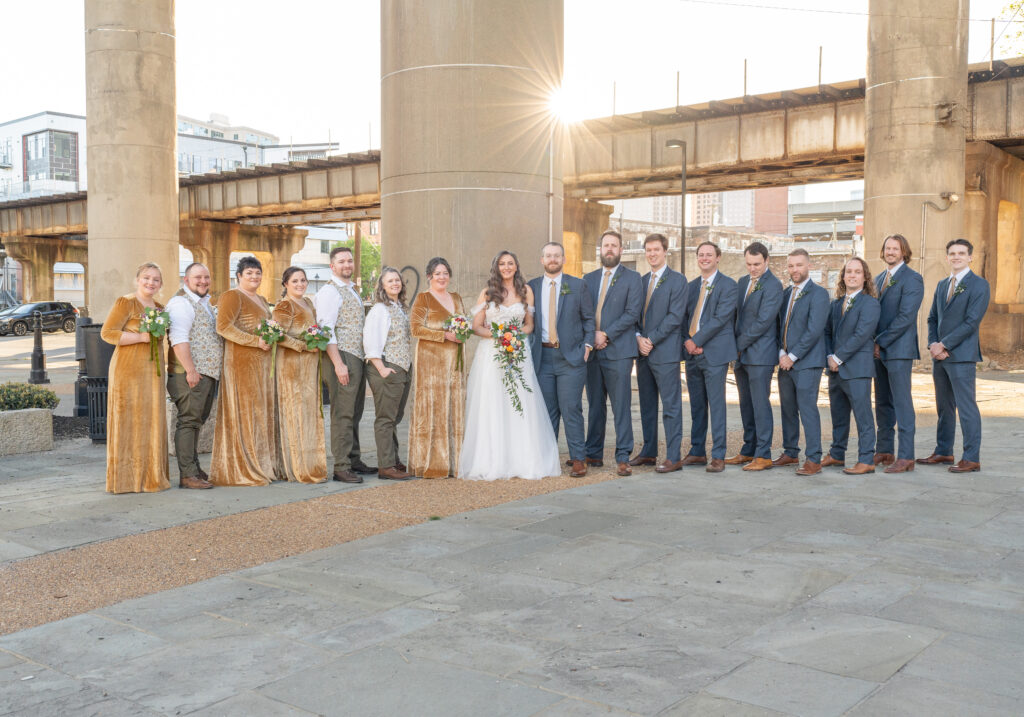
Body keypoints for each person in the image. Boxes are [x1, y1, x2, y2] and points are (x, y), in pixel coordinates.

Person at [460, 251, 561, 480]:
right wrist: (498, 335)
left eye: (510, 263)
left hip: (518, 352)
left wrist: (513, 335)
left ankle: (521, 458)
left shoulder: (526, 291)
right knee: (493, 402)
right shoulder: (487, 293)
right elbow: (476, 326)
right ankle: (493, 458)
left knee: (520, 403)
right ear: (496, 267)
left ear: (516, 266)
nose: (506, 267)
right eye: (502, 264)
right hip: (492, 354)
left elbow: (530, 325)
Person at [919, 238, 991, 473]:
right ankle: (943, 451)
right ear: (947, 257)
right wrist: (932, 344)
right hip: (939, 356)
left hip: (961, 355)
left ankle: (972, 458)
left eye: (961, 253)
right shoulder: (942, 284)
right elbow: (932, 318)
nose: (956, 256)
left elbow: (971, 322)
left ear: (970, 257)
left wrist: (945, 344)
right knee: (944, 407)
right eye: (952, 253)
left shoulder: (979, 285)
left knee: (966, 406)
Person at [100, 262, 170, 493]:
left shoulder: (160, 308)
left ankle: (151, 477)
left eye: (156, 279)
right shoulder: (126, 302)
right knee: (128, 419)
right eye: (147, 278)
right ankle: (126, 479)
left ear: (161, 284)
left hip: (153, 372)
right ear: (137, 280)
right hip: (127, 370)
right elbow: (107, 333)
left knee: (151, 420)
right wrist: (139, 338)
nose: (151, 282)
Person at [528, 242, 596, 477]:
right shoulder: (532, 287)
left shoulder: (578, 285)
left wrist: (587, 346)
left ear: (564, 259)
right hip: (543, 357)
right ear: (542, 260)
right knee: (547, 411)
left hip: (571, 357)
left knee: (571, 409)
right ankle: (548, 459)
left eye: (557, 255)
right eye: (548, 255)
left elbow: (589, 319)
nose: (552, 259)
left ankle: (578, 458)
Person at [209, 256, 277, 487]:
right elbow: (223, 327)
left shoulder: (262, 299)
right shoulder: (231, 296)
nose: (254, 277)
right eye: (249, 273)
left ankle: (261, 464)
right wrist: (254, 341)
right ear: (239, 276)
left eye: (257, 273)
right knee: (245, 413)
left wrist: (268, 339)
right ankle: (242, 467)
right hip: (240, 361)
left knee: (260, 414)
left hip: (263, 362)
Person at [583, 230, 642, 476]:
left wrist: (605, 334)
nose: (609, 249)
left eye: (614, 246)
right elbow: (583, 312)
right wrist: (590, 338)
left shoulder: (633, 278)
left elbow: (632, 313)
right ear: (600, 249)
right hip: (592, 352)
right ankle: (593, 453)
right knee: (595, 405)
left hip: (618, 350)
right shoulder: (588, 278)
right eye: (606, 245)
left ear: (621, 250)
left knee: (621, 405)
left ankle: (622, 456)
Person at [315, 246, 375, 484]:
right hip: (342, 355)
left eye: (350, 261)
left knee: (356, 411)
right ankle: (341, 466)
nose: (347, 265)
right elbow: (326, 330)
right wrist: (338, 364)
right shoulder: (330, 292)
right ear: (332, 266)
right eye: (341, 262)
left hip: (356, 355)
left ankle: (353, 459)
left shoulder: (351, 290)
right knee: (342, 412)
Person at [631, 233, 688, 473]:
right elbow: (632, 314)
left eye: (656, 249)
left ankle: (673, 456)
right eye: (648, 250)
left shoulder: (678, 280)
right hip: (642, 353)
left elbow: (675, 317)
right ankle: (649, 452)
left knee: (671, 406)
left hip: (665, 353)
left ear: (666, 251)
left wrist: (651, 340)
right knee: (646, 405)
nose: (652, 253)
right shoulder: (640, 281)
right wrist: (638, 339)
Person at [682, 241, 738, 473]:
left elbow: (720, 319)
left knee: (716, 406)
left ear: (718, 258)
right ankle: (697, 451)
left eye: (709, 255)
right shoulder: (692, 286)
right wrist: (688, 342)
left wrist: (697, 341)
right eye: (701, 255)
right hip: (692, 355)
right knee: (696, 406)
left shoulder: (728, 285)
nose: (704, 258)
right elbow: (685, 317)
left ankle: (718, 455)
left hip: (714, 354)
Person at [165, 262, 223, 489]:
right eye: (198, 277)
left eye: (206, 277)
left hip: (206, 373)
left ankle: (194, 469)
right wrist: (190, 370)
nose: (203, 281)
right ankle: (187, 475)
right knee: (188, 421)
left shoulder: (206, 303)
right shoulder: (181, 302)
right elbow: (178, 339)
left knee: (197, 421)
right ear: (186, 280)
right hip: (190, 374)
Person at [408, 257, 467, 478]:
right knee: (433, 407)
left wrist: (463, 334)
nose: (442, 277)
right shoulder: (424, 298)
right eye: (437, 273)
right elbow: (415, 329)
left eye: (445, 273)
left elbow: (465, 323)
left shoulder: (457, 298)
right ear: (429, 276)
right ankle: (432, 462)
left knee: (454, 406)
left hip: (455, 362)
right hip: (431, 362)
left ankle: (455, 462)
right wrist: (444, 335)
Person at [774, 248, 830, 476]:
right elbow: (779, 326)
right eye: (791, 266)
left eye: (799, 265)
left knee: (807, 410)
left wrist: (792, 356)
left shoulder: (819, 294)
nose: (794, 270)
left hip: (807, 363)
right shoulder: (786, 293)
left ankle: (814, 459)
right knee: (787, 409)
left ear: (808, 266)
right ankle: (790, 452)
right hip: (784, 361)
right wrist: (780, 353)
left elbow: (814, 330)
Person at [728, 242, 783, 472]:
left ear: (767, 261)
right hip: (741, 356)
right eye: (749, 264)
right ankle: (748, 449)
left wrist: (737, 345)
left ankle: (764, 455)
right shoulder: (742, 283)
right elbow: (736, 318)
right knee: (746, 404)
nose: (753, 268)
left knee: (760, 405)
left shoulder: (774, 285)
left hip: (760, 355)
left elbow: (763, 322)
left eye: (757, 264)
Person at [823, 258, 881, 475]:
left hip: (857, 369)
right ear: (843, 276)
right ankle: (837, 454)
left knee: (863, 416)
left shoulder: (870, 304)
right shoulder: (836, 304)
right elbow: (827, 332)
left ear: (864, 277)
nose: (852, 275)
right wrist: (830, 356)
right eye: (849, 272)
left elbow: (861, 335)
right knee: (838, 415)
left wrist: (838, 358)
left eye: (857, 272)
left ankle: (866, 459)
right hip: (834, 369)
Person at [873, 234, 924, 473]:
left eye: (895, 248)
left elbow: (906, 317)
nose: (890, 252)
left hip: (898, 350)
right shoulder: (878, 278)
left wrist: (880, 341)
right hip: (877, 351)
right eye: (887, 248)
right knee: (882, 401)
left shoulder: (912, 279)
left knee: (902, 402)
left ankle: (906, 456)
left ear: (904, 252)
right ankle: (884, 449)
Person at [273, 267, 328, 484]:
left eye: (303, 280)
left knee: (308, 412)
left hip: (309, 364)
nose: (300, 284)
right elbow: (278, 335)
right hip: (291, 365)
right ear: (285, 283)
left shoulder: (308, 303)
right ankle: (297, 467)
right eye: (295, 281)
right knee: (295, 412)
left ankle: (311, 462)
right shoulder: (284, 306)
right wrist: (303, 346)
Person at [363, 267, 414, 480]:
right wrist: (382, 368)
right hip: (386, 368)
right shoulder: (379, 310)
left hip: (402, 368)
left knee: (394, 416)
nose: (395, 283)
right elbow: (371, 341)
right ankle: (385, 466)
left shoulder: (399, 307)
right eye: (390, 280)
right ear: (382, 285)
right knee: (385, 418)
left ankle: (393, 459)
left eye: (397, 280)